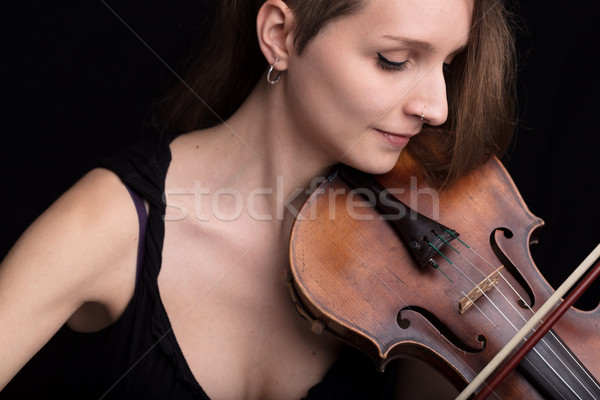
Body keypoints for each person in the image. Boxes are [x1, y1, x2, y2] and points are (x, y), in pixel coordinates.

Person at [0, 0, 515, 398]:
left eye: (449, 62)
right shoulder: (108, 224)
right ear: (281, 36)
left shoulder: (422, 239)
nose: (438, 108)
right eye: (395, 60)